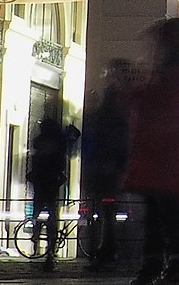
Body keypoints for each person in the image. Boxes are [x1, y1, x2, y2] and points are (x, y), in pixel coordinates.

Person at [123, 17, 179, 285]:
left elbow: (159, 107)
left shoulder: (175, 76)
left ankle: (173, 265)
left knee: (168, 214)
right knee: (157, 214)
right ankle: (159, 264)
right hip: (157, 156)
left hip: (169, 157)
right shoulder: (170, 74)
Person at [82, 60, 133, 270]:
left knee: (106, 212)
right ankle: (108, 249)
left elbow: (106, 134)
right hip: (111, 167)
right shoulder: (119, 101)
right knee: (107, 211)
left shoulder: (113, 103)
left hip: (108, 168)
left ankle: (106, 250)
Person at [26, 95, 74, 269]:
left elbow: (35, 156)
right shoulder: (58, 141)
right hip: (51, 182)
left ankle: (36, 245)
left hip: (40, 181)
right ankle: (50, 250)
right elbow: (62, 159)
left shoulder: (40, 140)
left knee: (38, 213)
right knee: (52, 215)